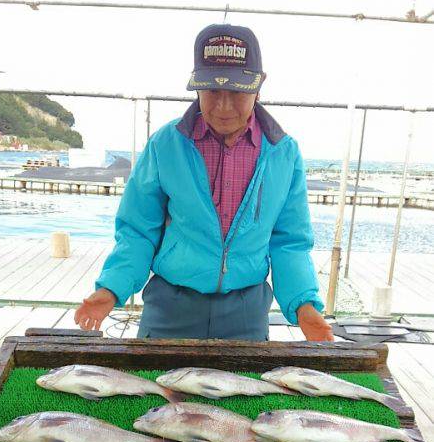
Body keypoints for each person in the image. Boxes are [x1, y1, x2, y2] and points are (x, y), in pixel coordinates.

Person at [75, 24, 334, 342]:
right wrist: (111, 288)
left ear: (259, 86)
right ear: (197, 86)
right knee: (153, 376)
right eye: (212, 92)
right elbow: (138, 231)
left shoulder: (284, 153)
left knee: (246, 378)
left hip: (246, 311)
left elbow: (289, 242)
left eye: (237, 92)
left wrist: (304, 305)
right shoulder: (164, 145)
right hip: (170, 305)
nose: (224, 107)